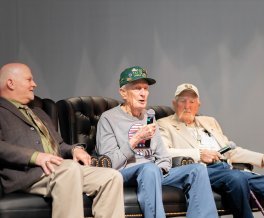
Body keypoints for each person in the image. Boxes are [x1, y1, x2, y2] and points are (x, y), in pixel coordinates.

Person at [0, 63, 125, 218]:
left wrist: (75, 149)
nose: (34, 84)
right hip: (29, 174)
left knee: (112, 177)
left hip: (60, 170)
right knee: (69, 168)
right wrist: (35, 156)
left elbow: (59, 144)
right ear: (11, 83)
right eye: (29, 80)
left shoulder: (38, 112)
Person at [96, 66, 218, 218]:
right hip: (125, 173)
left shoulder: (148, 117)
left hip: (154, 173)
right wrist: (135, 140)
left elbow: (163, 156)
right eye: (137, 88)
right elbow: (110, 163)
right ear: (123, 93)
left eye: (146, 89)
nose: (143, 94)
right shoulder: (108, 119)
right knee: (149, 169)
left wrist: (161, 170)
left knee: (197, 170)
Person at [157, 83, 264, 218]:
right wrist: (199, 154)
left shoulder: (210, 122)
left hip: (228, 169)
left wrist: (262, 158)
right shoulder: (164, 124)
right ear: (174, 104)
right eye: (182, 101)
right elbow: (164, 152)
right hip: (202, 172)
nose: (187, 106)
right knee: (236, 178)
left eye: (192, 101)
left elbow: (230, 151)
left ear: (198, 104)